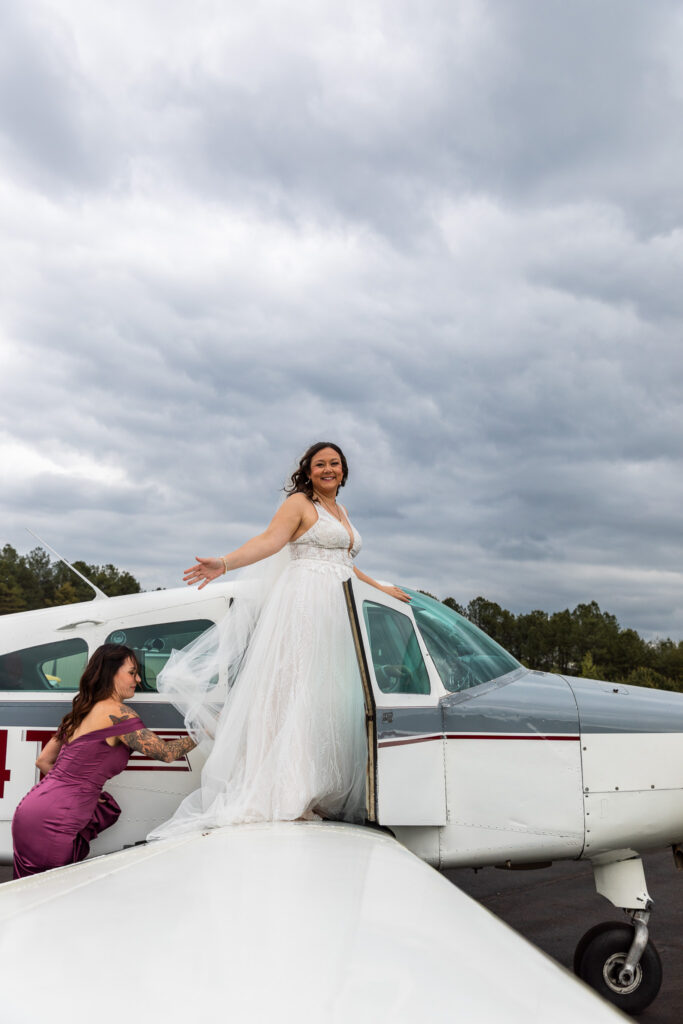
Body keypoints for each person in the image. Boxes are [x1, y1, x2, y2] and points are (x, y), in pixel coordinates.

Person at [148, 441, 409, 839]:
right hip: (305, 604)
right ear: (308, 470)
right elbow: (270, 541)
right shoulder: (300, 504)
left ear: (344, 471)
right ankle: (288, 790)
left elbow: (346, 564)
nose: (328, 469)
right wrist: (224, 563)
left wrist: (380, 588)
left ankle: (318, 787)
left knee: (328, 696)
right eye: (320, 464)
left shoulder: (342, 511)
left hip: (337, 611)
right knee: (297, 691)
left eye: (334, 464)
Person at [12, 643, 196, 878]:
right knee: (54, 898)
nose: (138, 679)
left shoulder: (81, 711)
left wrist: (81, 788)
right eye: (132, 672)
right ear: (111, 673)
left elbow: (43, 761)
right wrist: (202, 732)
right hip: (56, 821)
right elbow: (166, 753)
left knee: (29, 898)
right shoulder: (119, 714)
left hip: (30, 811)